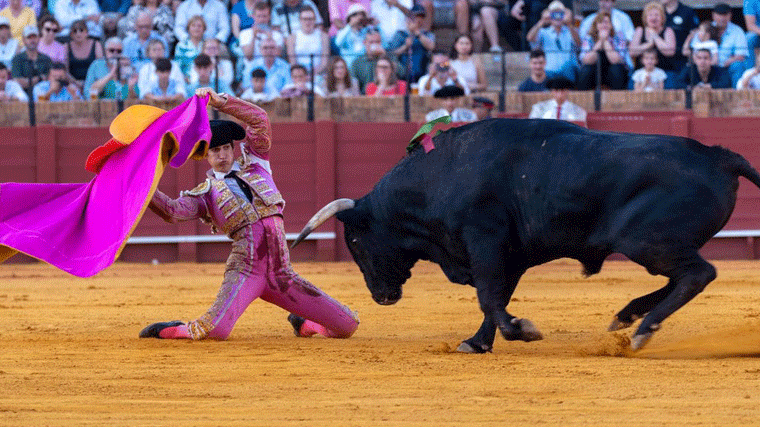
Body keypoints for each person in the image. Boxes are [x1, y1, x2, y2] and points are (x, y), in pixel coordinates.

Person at [140, 87, 360, 341]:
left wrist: (220, 101)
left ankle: (306, 325)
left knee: (347, 325)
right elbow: (171, 211)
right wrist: (141, 184)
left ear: (233, 148)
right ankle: (170, 329)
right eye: (214, 151)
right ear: (206, 156)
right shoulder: (205, 194)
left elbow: (259, 120)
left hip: (282, 274)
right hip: (245, 271)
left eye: (225, 148)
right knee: (214, 331)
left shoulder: (257, 162)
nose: (221, 155)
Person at [526, 0, 579, 82]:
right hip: (549, 72)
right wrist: (541, 21)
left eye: (560, 13)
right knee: (545, 74)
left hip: (567, 73)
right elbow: (529, 38)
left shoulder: (570, 31)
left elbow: (579, 43)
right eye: (554, 14)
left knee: (569, 67)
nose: (557, 16)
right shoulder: (543, 32)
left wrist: (569, 23)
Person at [577, 10, 630, 90]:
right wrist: (600, 42)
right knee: (586, 70)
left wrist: (605, 41)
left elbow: (616, 60)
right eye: (601, 22)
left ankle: (618, 100)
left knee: (616, 69)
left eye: (606, 22)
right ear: (596, 25)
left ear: (611, 25)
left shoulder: (619, 37)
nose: (604, 25)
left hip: (612, 73)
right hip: (595, 72)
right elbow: (586, 60)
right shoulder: (589, 38)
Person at [387, 4, 434, 84]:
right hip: (402, 76)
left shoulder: (427, 34)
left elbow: (431, 47)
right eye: (415, 17)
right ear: (408, 18)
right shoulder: (400, 34)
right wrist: (405, 46)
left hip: (422, 75)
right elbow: (391, 53)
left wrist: (416, 32)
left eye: (421, 17)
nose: (418, 19)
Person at [629, 2, 676, 77]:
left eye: (657, 15)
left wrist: (655, 36)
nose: (653, 18)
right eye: (650, 15)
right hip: (642, 73)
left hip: (665, 72)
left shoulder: (668, 30)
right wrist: (648, 45)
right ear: (645, 18)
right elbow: (632, 52)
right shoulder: (640, 30)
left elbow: (670, 51)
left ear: (662, 18)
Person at [711, 2, 748, 87]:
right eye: (719, 14)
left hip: (727, 66)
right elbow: (695, 50)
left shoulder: (737, 31)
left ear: (730, 15)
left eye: (725, 15)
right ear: (713, 15)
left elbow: (740, 56)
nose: (722, 18)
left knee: (738, 65)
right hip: (709, 66)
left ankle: (738, 96)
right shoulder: (706, 28)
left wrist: (723, 65)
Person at [286, 6, 329, 76]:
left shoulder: (323, 36)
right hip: (298, 75)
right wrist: (302, 75)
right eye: (305, 19)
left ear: (315, 20)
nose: (308, 22)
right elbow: (293, 62)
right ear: (300, 20)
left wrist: (313, 75)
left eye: (310, 19)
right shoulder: (292, 38)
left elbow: (324, 62)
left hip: (319, 74)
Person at [351, 28, 398, 93]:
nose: (375, 44)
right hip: (365, 98)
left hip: (388, 95)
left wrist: (384, 56)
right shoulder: (358, 62)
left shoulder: (390, 56)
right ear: (364, 43)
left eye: (377, 42)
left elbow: (401, 73)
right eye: (371, 42)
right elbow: (354, 85)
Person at [11, 25, 51, 91]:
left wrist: (28, 81)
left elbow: (50, 79)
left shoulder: (46, 59)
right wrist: (40, 78)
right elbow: (18, 82)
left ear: (39, 38)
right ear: (24, 40)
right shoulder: (17, 59)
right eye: (29, 37)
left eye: (34, 37)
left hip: (44, 95)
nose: (32, 40)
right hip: (23, 95)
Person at [662, 0, 698, 71]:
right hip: (660, 61)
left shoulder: (687, 11)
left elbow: (695, 32)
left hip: (682, 61)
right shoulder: (658, 11)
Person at [66, 19, 104, 87]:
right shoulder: (66, 46)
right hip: (73, 84)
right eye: (75, 31)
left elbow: (100, 67)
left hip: (93, 83)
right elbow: (65, 70)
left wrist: (89, 83)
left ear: (87, 33)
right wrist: (76, 83)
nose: (78, 33)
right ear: (71, 34)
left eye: (81, 30)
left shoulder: (96, 44)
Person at [333, 2, 371, 69]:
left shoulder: (367, 32)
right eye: (355, 15)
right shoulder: (344, 32)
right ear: (349, 18)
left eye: (362, 15)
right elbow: (338, 42)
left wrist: (374, 24)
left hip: (364, 69)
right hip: (349, 69)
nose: (359, 18)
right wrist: (350, 25)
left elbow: (384, 43)